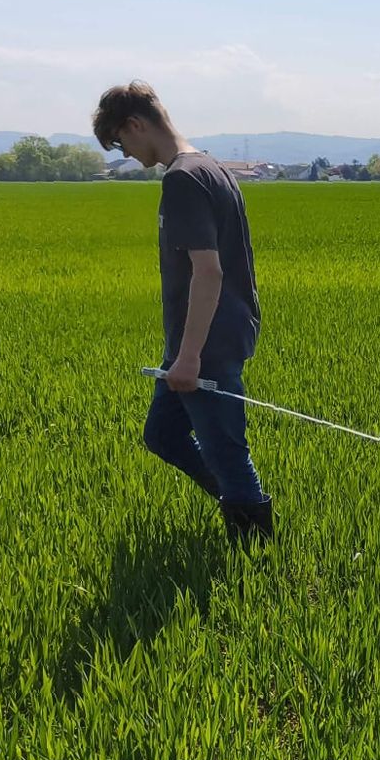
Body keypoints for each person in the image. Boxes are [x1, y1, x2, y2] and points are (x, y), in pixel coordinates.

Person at [92, 80, 272, 544]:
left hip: (205, 341)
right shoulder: (211, 167)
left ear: (135, 124)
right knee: (163, 435)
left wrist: (190, 357)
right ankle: (231, 498)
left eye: (120, 142)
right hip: (201, 336)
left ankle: (259, 552)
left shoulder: (183, 179)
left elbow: (208, 272)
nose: (126, 154)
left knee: (227, 450)